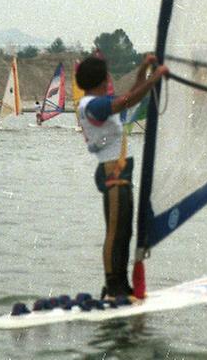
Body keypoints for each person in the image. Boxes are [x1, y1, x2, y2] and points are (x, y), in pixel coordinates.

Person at [75, 53, 168, 302]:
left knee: (125, 231)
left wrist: (144, 71)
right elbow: (128, 100)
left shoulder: (98, 101)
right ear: (101, 79)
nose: (109, 80)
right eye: (107, 76)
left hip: (120, 172)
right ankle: (112, 285)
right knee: (116, 232)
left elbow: (130, 95)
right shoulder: (92, 105)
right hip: (112, 173)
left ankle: (121, 285)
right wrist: (154, 79)